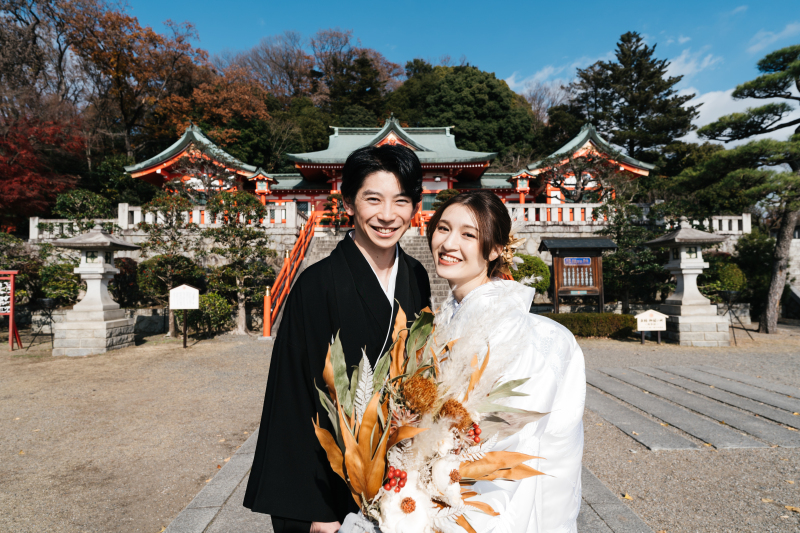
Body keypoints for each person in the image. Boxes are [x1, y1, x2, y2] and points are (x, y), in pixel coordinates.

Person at [243, 145, 432, 533]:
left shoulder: (416, 276)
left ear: (415, 206)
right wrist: (316, 509)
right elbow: (293, 399)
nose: (387, 215)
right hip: (334, 488)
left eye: (401, 201)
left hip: (402, 480)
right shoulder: (316, 286)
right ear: (348, 202)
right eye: (372, 199)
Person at [427, 191, 585, 533]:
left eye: (468, 234)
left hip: (492, 497)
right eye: (442, 228)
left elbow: (506, 436)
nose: (449, 243)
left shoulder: (519, 332)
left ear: (496, 249)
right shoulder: (444, 318)